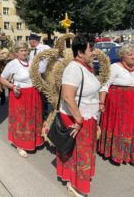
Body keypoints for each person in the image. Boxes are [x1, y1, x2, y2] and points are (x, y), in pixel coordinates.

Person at [56, 34, 100, 197]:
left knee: (81, 151)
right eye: (91, 49)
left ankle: (76, 177)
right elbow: (67, 96)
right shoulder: (73, 68)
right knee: (78, 152)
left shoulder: (86, 67)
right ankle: (74, 184)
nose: (94, 52)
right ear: (80, 52)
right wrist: (79, 119)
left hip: (87, 117)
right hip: (77, 118)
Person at [97, 43, 134, 165]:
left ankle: (128, 154)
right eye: (130, 54)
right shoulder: (115, 67)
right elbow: (104, 86)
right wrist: (101, 103)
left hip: (133, 103)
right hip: (116, 103)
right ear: (122, 56)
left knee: (129, 127)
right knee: (117, 126)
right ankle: (114, 153)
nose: (133, 57)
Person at [0, 41, 43, 158]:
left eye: (25, 50)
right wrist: (12, 87)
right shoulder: (13, 64)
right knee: (22, 120)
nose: (24, 52)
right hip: (21, 95)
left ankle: (33, 140)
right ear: (16, 53)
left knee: (33, 118)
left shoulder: (31, 62)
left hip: (34, 94)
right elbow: (2, 79)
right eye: (22, 51)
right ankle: (20, 145)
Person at [28, 34, 51, 120]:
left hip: (44, 75)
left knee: (44, 95)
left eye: (29, 41)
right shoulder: (31, 52)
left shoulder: (45, 48)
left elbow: (53, 57)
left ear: (33, 40)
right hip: (35, 76)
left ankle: (44, 115)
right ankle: (38, 112)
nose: (29, 43)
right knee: (36, 94)